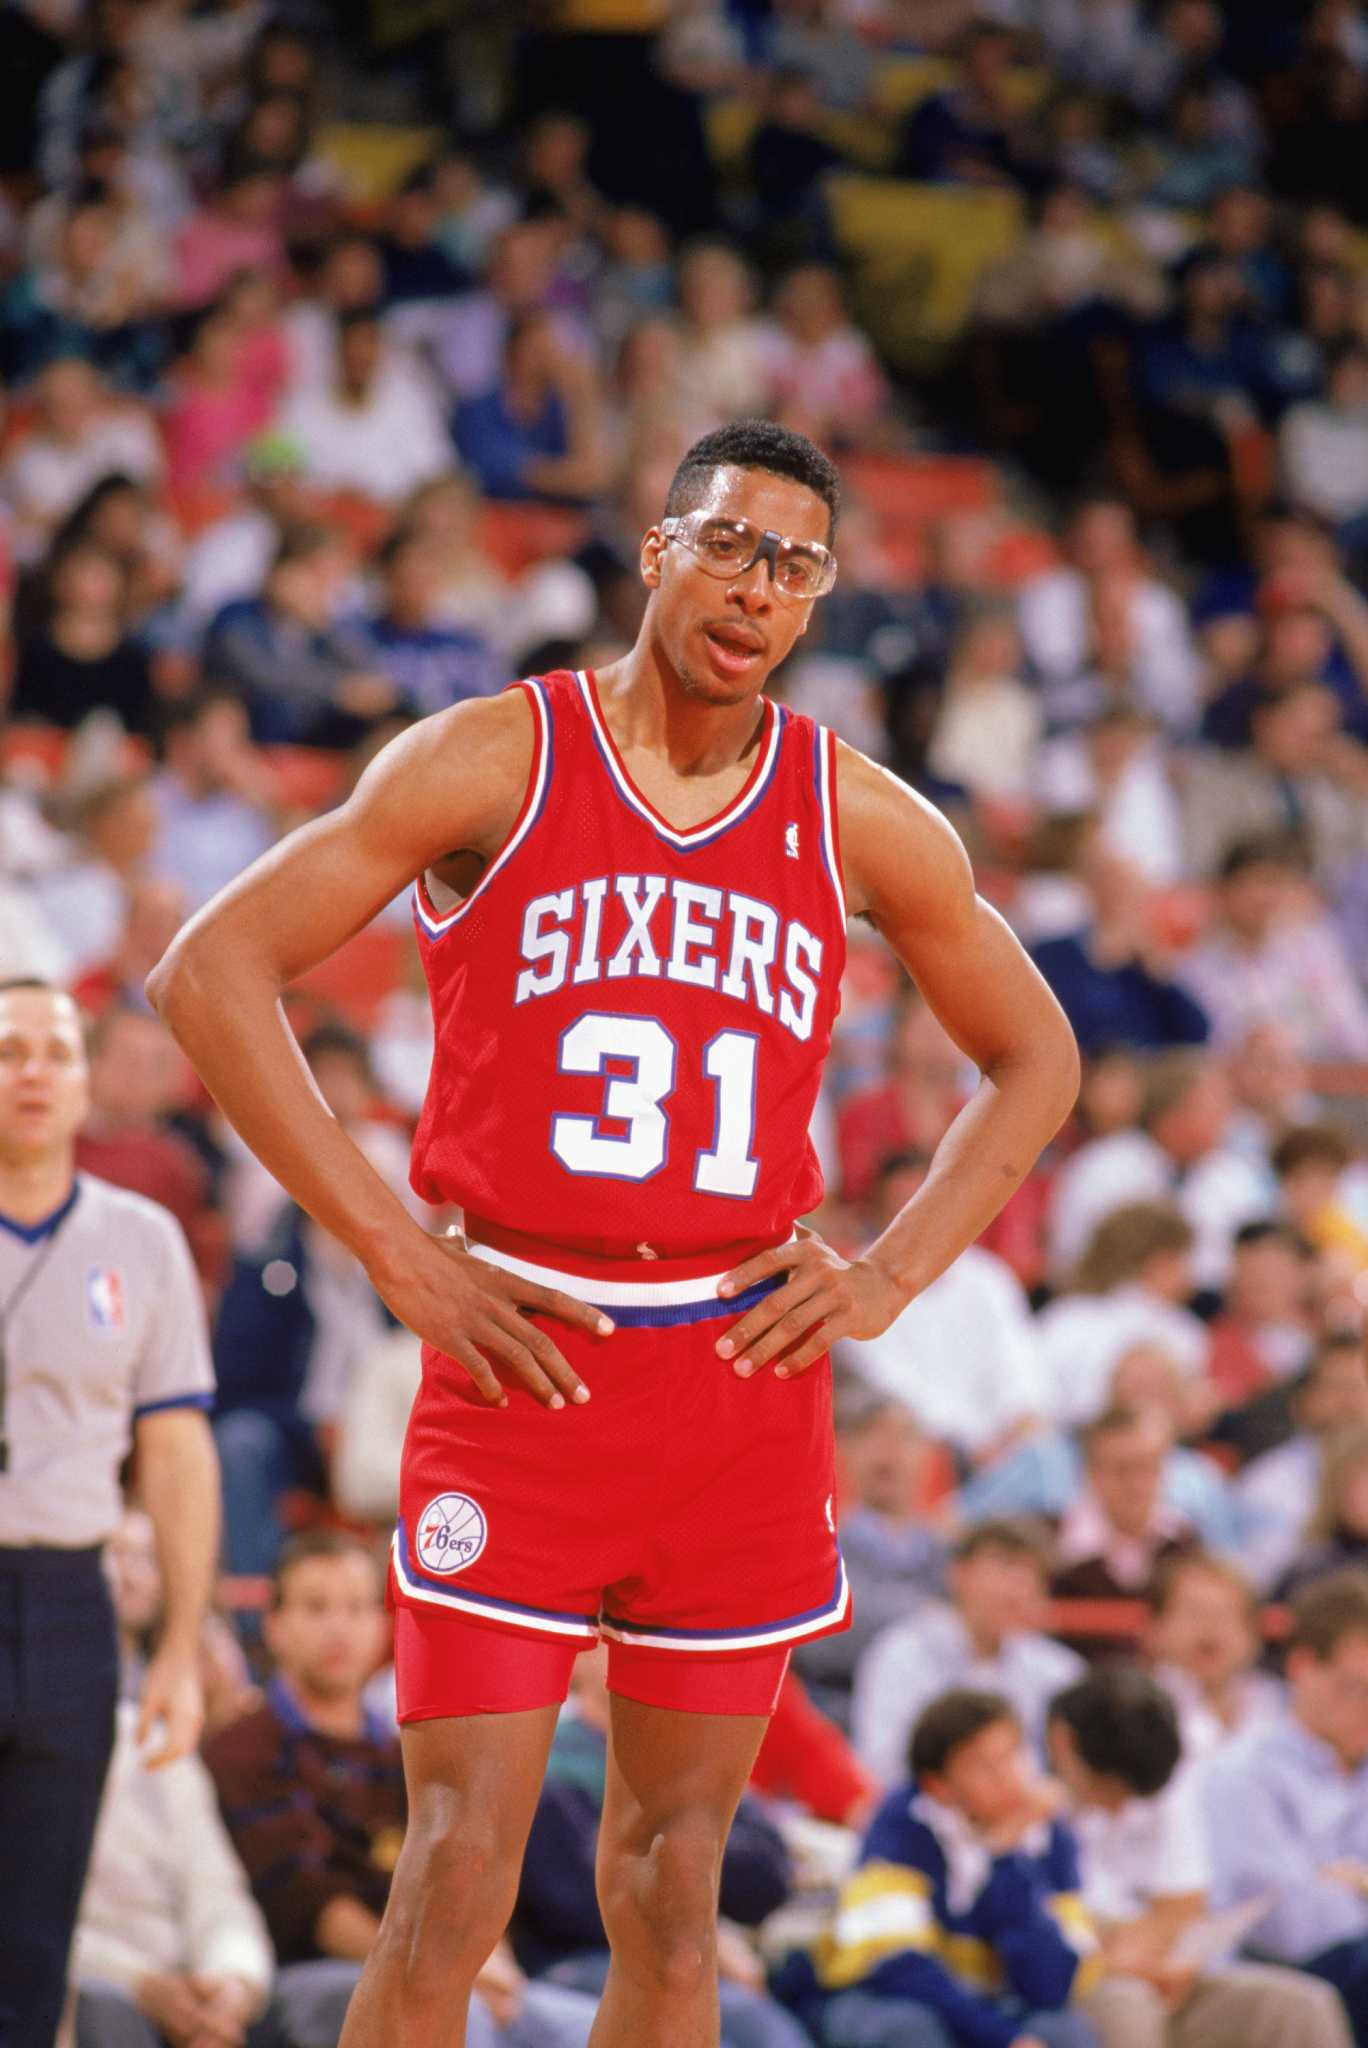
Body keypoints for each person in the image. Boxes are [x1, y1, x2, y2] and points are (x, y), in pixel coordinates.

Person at [149, 417, 1081, 2048]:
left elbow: (1038, 1055)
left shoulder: (861, 815)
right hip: (519, 1365)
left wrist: (886, 1274)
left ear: (820, 601)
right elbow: (211, 969)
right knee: (453, 1876)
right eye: (724, 542)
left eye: (793, 564)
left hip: (732, 1379)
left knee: (672, 1884)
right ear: (656, 551)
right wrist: (387, 1239)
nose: (754, 586)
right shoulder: (491, 758)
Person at [0, 978, 219, 2048]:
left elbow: (177, 1451)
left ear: (89, 1084)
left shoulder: (141, 1239)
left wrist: (179, 1643)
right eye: (8, 1051)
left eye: (54, 1051)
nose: (31, 1071)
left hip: (70, 1601)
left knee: (35, 1943)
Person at [205, 1531, 599, 2048]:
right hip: (316, 1972)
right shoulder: (246, 1746)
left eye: (356, 1607)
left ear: (382, 1623)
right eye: (316, 1608)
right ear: (275, 1626)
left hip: (440, 1964)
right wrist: (446, 1973)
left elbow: (473, 1859)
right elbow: (309, 1902)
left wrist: (485, 1964)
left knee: (590, 2028)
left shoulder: (401, 1744)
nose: (338, 1629)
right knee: (456, 2023)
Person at [514, 1643, 807, 2048]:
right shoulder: (550, 1760)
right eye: (610, 1639)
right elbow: (573, 1901)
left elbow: (770, 1875)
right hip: (577, 1962)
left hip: (698, 1954)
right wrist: (697, 1907)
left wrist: (677, 1859)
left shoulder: (691, 1753)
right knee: (742, 2026)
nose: (635, 1653)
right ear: (578, 1657)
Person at [1047, 1668, 1352, 2048]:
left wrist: (1152, 1959)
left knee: (1303, 2005)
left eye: (1133, 1796)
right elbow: (1033, 1926)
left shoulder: (1162, 1779)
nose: (1120, 1808)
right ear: (1062, 1744)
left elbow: (1184, 1907)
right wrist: (1109, 1960)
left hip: (1164, 1972)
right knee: (1127, 2004)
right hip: (1081, 1984)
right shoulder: (1018, 1798)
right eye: (1111, 1791)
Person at [800, 1688, 1103, 2048]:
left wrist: (1007, 1859)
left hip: (988, 2001)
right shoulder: (902, 1823)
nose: (1009, 1778)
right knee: (911, 2031)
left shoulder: (1046, 1833)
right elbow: (899, 1966)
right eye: (984, 1767)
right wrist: (1000, 2037)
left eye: (1013, 1756)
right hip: (878, 1997)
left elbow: (1052, 1985)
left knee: (1065, 2032)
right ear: (939, 1786)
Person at [1202, 1571, 1368, 2044]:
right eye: (1354, 1688)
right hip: (1285, 1970)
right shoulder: (1244, 1772)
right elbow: (1289, 1925)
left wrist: (1351, 1882)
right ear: (1302, 1667)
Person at [851, 1521, 1085, 1786]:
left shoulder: (1056, 1670)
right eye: (1005, 1568)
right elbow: (881, 1767)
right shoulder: (901, 1654)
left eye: (1032, 1576)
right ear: (958, 1574)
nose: (1017, 1590)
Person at [1144, 1550, 1283, 1761]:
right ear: (1155, 1629)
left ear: (1254, 1636)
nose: (1210, 1627)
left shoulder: (1281, 1707)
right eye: (1194, 1612)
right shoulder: (1137, 1710)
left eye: (1225, 1614)